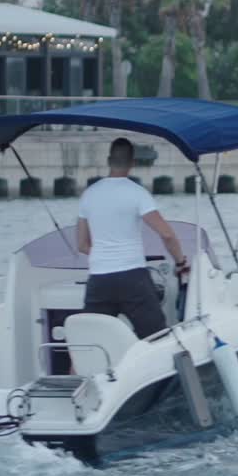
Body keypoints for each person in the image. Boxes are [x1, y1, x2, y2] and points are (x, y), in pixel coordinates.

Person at [76, 137, 190, 339]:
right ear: (132, 163)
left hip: (99, 279)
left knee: (89, 342)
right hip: (132, 278)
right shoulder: (137, 193)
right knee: (157, 339)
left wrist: (106, 255)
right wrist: (180, 262)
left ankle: (79, 370)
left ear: (108, 160)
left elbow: (82, 245)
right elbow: (166, 234)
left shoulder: (89, 195)